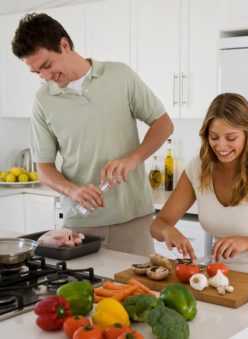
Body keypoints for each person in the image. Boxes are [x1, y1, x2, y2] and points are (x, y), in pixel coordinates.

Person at [12, 13, 174, 256]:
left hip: (133, 218)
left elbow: (163, 124)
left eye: (47, 65)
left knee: (139, 292)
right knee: (79, 293)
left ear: (64, 45)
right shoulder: (43, 100)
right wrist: (72, 191)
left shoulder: (120, 76)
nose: (45, 77)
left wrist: (133, 159)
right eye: (37, 73)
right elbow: (43, 169)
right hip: (80, 224)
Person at [151, 93, 248, 274]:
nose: (221, 146)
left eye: (231, 138)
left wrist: (247, 243)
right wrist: (168, 231)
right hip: (221, 276)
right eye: (214, 137)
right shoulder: (198, 169)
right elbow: (157, 225)